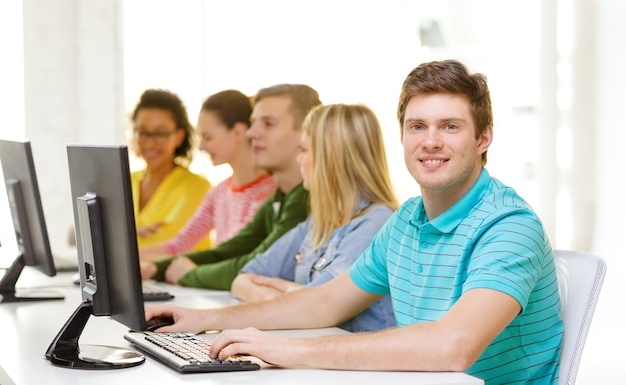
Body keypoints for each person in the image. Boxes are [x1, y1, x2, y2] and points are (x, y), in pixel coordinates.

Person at [145, 60, 564, 384]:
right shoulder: (407, 221)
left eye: (450, 127)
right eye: (417, 126)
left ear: (483, 138)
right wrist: (204, 320)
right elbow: (326, 301)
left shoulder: (509, 226)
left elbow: (452, 346)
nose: (431, 141)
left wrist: (290, 350)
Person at [231, 103, 399, 332]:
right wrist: (279, 297)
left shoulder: (375, 224)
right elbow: (243, 278)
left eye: (303, 150)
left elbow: (324, 305)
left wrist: (293, 297)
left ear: (330, 158)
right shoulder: (319, 222)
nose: (299, 160)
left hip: (364, 363)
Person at [140, 84, 321, 290]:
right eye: (253, 123)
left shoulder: (303, 198)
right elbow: (229, 251)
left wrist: (190, 274)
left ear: (306, 133)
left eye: (268, 124)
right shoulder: (280, 197)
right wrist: (156, 269)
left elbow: (254, 266)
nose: (252, 133)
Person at [138, 89, 277, 262]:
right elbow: (178, 246)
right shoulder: (219, 192)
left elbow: (233, 257)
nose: (201, 147)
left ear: (238, 133)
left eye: (207, 137)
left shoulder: (268, 194)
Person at [131, 89, 211, 250]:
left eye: (160, 133)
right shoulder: (123, 181)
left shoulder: (197, 187)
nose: (150, 142)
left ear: (179, 137)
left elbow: (170, 247)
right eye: (143, 132)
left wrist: (122, 235)